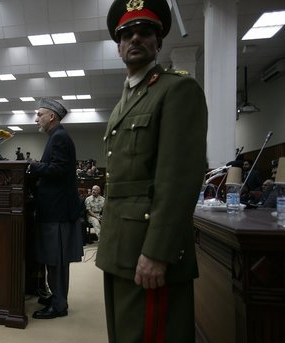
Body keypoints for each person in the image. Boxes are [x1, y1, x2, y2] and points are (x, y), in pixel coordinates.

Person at [96, 1, 208, 342]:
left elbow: (179, 180)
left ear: (158, 42)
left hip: (149, 249)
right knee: (126, 333)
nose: (135, 39)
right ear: (118, 47)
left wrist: (158, 252)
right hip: (120, 246)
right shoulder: (125, 101)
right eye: (127, 34)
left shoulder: (176, 89)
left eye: (145, 32)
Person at [27, 98, 83, 319]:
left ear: (52, 116)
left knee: (56, 260)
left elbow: (58, 170)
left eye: (39, 114)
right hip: (53, 209)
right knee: (52, 259)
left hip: (57, 211)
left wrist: (33, 166)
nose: (36, 118)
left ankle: (59, 305)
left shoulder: (59, 137)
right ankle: (57, 297)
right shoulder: (56, 136)